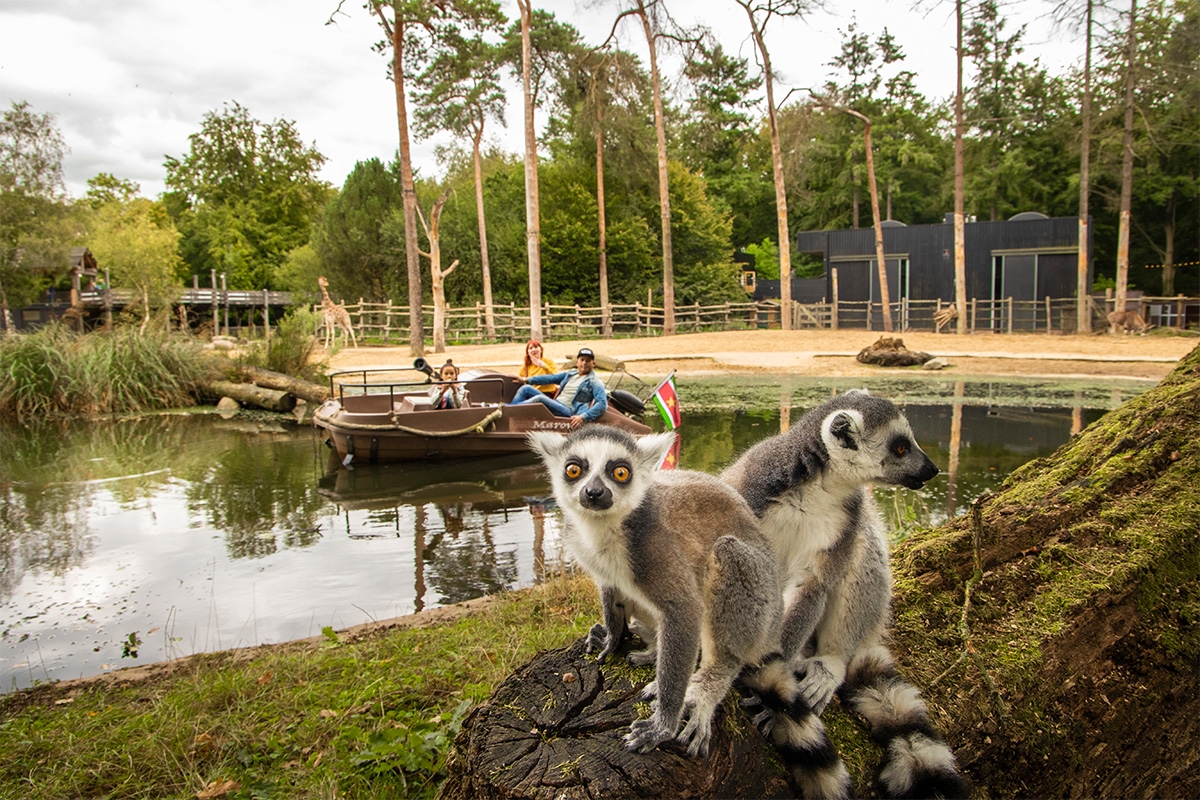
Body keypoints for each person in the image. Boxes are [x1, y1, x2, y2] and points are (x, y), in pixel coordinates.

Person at [509, 347, 608, 430]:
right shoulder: (570, 374)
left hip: (569, 411)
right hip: (557, 404)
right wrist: (526, 379)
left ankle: (507, 411)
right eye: (582, 360)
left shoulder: (595, 382)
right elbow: (550, 378)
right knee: (526, 388)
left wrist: (583, 417)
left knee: (540, 399)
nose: (584, 363)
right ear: (577, 362)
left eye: (588, 361)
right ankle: (508, 412)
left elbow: (602, 404)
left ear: (593, 364)